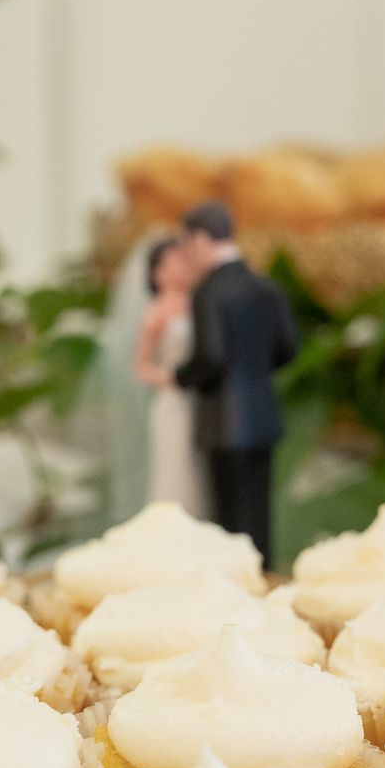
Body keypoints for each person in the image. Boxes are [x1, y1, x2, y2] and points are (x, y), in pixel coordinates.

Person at [173, 201, 300, 567]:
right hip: (262, 416)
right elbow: (287, 349)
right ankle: (266, 580)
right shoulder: (267, 289)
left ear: (200, 239)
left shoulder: (209, 293)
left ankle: (240, 594)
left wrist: (181, 377)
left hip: (223, 420)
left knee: (230, 521)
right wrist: (255, 372)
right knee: (260, 516)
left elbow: (210, 357)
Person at [133, 238, 210, 517]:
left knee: (199, 474)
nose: (183, 266)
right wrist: (172, 378)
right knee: (176, 471)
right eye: (175, 261)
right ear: (158, 272)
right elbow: (141, 367)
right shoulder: (156, 311)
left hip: (201, 399)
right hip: (174, 402)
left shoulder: (200, 303)